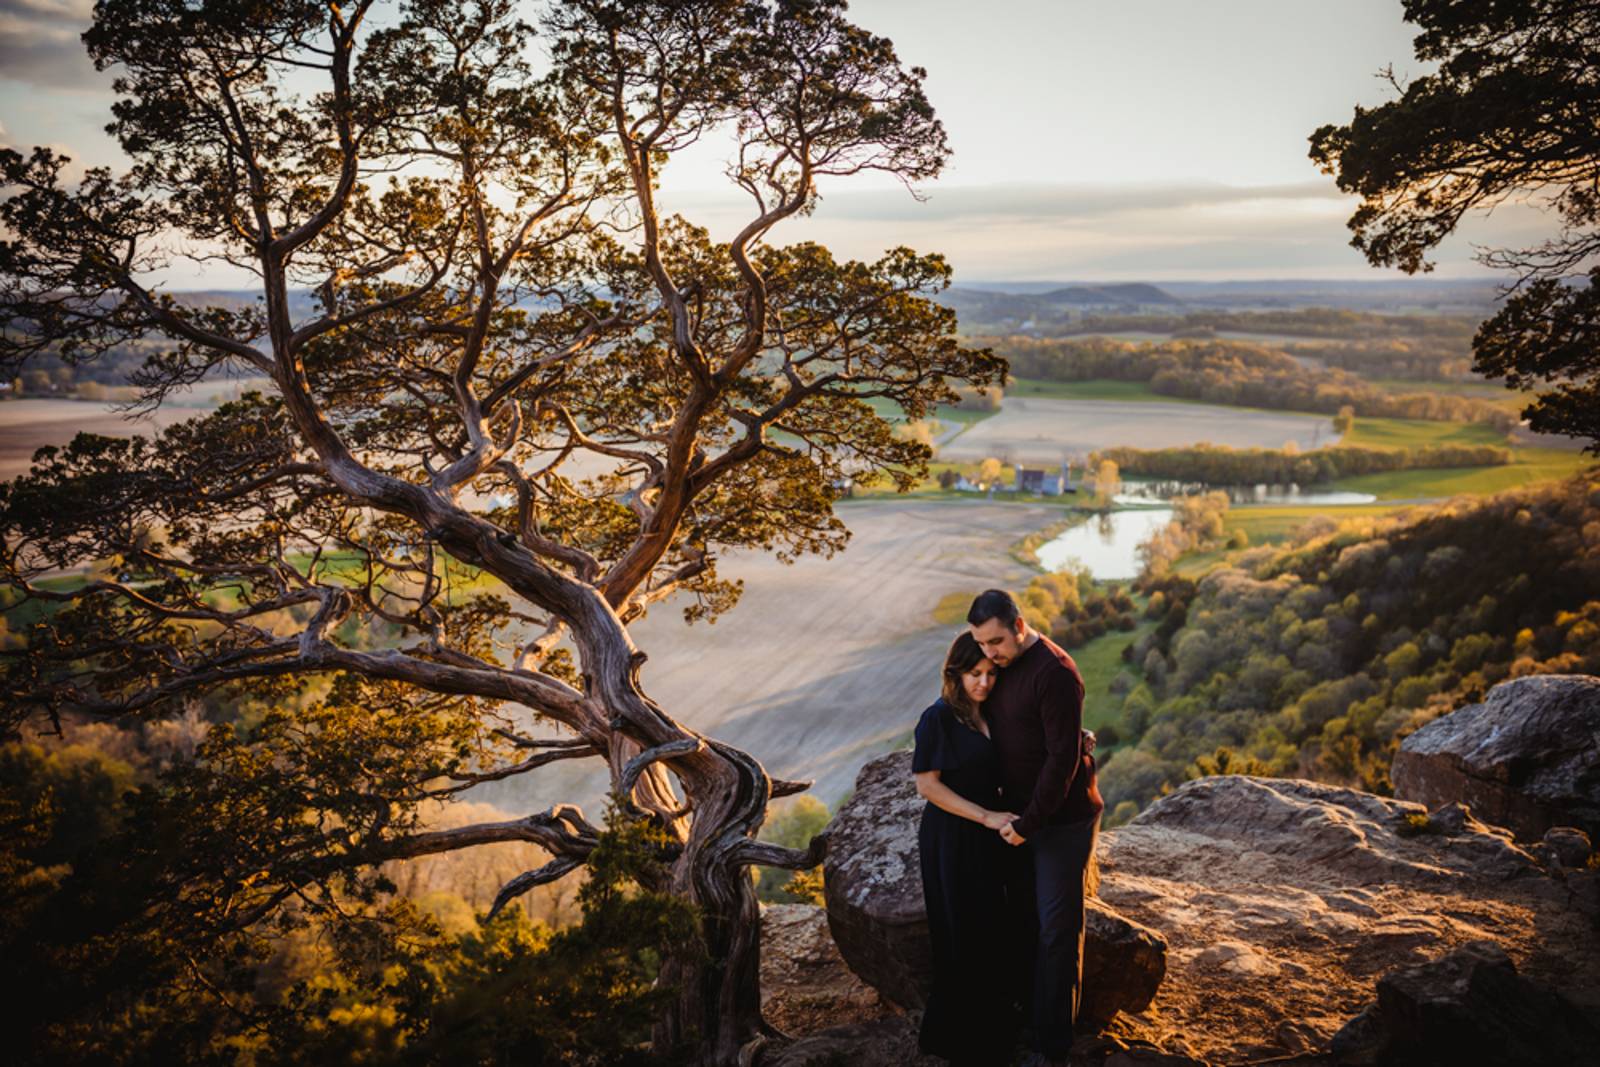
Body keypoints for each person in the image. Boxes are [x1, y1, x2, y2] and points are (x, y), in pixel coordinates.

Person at [968, 589, 1104, 1066]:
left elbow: (1062, 759)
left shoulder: (1056, 673)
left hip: (1060, 821)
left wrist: (1030, 823)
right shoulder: (1000, 667)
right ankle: (1027, 1021)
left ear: (1020, 626)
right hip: (1021, 819)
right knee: (1025, 922)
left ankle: (1054, 1047)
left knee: (1057, 930)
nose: (990, 654)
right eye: (981, 644)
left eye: (997, 642)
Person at [911, 632, 1015, 1065]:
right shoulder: (938, 718)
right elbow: (927, 786)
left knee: (992, 931)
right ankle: (959, 1041)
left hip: (990, 840)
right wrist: (987, 816)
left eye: (991, 674)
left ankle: (993, 1033)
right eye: (975, 674)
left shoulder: (994, 713)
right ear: (956, 673)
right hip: (952, 838)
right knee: (960, 933)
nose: (984, 683)